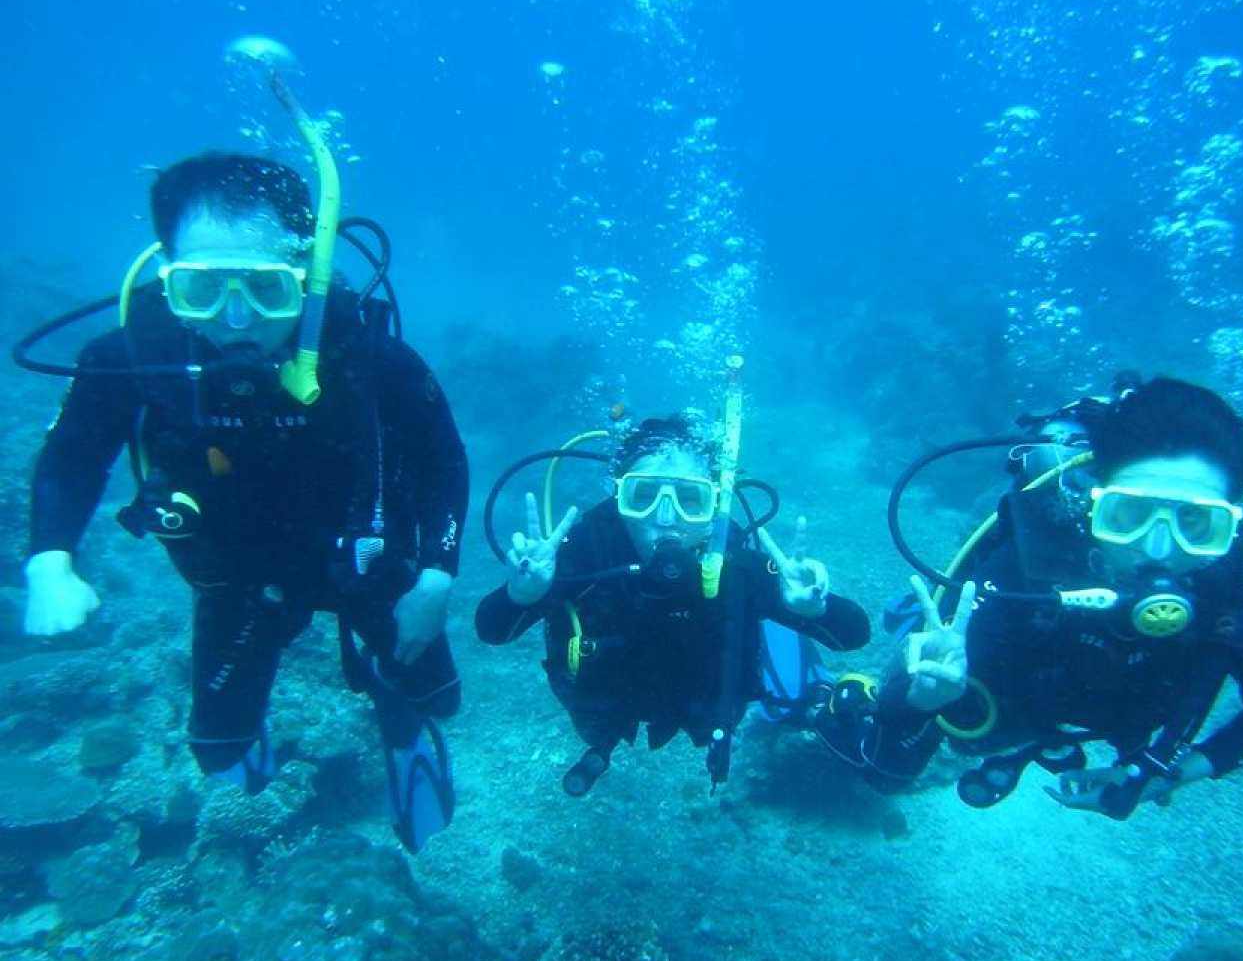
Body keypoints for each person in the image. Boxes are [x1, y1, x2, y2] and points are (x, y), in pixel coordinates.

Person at [22, 152, 468, 852]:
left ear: (305, 272)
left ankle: (402, 731)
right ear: (168, 274)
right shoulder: (129, 358)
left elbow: (443, 458)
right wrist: (50, 561)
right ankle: (252, 789)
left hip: (367, 565)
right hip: (235, 575)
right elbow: (74, 454)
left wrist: (436, 576)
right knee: (218, 747)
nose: (235, 318)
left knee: (436, 695)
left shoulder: (368, 356)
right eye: (201, 288)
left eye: (265, 288)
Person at [813, 377, 1243, 820]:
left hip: (1099, 713)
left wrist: (1164, 776)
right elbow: (891, 766)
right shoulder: (1025, 572)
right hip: (1017, 703)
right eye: (1129, 514)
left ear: (1231, 525)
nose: (1159, 548)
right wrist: (923, 699)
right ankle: (869, 673)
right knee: (887, 768)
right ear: (1094, 503)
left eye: (1197, 523)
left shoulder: (1226, 586)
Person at [475, 414, 871, 795]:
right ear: (619, 496)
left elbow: (854, 634)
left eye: (690, 499)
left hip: (705, 706)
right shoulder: (588, 550)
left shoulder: (735, 563)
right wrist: (522, 595)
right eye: (643, 496)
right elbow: (491, 629)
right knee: (599, 727)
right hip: (607, 707)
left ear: (714, 504)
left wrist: (813, 609)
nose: (665, 518)